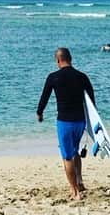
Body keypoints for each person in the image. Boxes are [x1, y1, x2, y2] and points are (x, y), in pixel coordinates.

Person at [36, 47, 95, 200]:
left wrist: (40, 113)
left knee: (67, 157)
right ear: (71, 58)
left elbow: (44, 97)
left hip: (65, 122)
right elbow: (92, 101)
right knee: (74, 151)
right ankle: (80, 182)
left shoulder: (53, 77)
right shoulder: (82, 76)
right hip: (80, 122)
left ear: (58, 60)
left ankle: (75, 192)